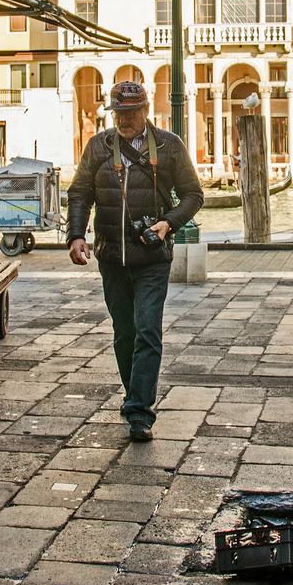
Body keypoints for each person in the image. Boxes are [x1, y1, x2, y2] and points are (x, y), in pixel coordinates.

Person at [68, 81, 203, 441]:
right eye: (119, 114)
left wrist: (168, 223)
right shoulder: (97, 145)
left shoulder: (170, 146)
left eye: (131, 113)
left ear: (146, 111)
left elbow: (193, 195)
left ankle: (139, 412)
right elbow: (80, 193)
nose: (125, 120)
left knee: (147, 329)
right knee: (124, 332)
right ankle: (134, 397)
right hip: (110, 255)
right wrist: (76, 235)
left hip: (152, 255)